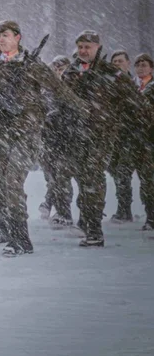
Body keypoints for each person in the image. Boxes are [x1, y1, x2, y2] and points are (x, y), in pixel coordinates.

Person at [0, 21, 84, 256]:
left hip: (27, 133)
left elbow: (60, 91)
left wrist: (85, 113)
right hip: (1, 133)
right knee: (0, 183)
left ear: (18, 37)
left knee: (13, 180)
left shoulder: (33, 66)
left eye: (6, 35)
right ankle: (15, 233)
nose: (2, 40)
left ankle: (20, 238)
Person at [60, 32, 143, 247]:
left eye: (87, 47)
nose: (83, 51)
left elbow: (134, 102)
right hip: (76, 134)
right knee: (81, 177)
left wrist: (120, 123)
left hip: (101, 135)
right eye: (80, 47)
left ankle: (94, 228)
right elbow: (60, 101)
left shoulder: (111, 73)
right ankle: (87, 219)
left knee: (93, 177)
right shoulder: (71, 72)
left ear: (98, 48)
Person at [39, 55, 80, 228]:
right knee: (52, 177)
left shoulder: (71, 89)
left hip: (68, 138)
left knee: (63, 176)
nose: (58, 71)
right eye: (55, 68)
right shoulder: (45, 89)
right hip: (48, 139)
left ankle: (64, 212)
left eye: (61, 68)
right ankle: (54, 205)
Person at [108, 50, 140, 222]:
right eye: (114, 61)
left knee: (123, 172)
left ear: (128, 64)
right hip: (112, 135)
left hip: (130, 135)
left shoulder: (134, 84)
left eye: (120, 61)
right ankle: (124, 207)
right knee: (115, 171)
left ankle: (124, 209)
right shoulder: (108, 84)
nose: (117, 64)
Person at [132, 53, 154, 230]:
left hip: (150, 137)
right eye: (138, 64)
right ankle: (150, 215)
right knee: (145, 180)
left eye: (144, 64)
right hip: (136, 139)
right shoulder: (132, 86)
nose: (141, 67)